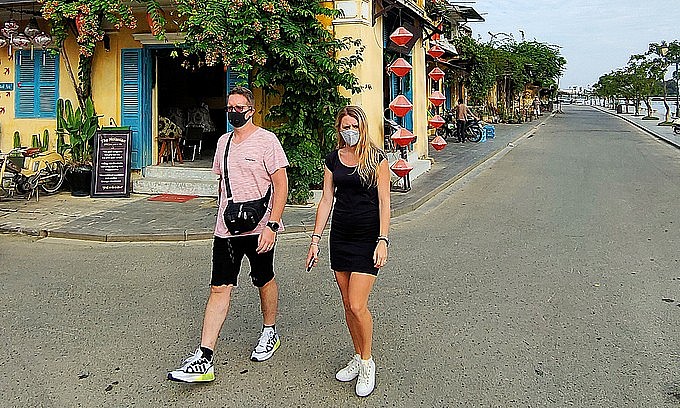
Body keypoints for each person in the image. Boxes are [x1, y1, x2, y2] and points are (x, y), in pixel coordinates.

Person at [168, 86, 289, 383]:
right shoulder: (223, 143)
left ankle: (269, 330)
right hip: (226, 228)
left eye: (239, 107)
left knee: (263, 278)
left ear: (251, 110)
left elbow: (281, 184)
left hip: (260, 226)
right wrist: (220, 217)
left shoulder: (267, 141)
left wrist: (273, 225)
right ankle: (204, 356)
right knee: (219, 287)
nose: (233, 112)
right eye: (229, 107)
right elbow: (223, 186)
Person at [305, 105, 390, 397]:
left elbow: (384, 202)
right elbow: (327, 199)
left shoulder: (377, 159)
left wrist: (383, 239)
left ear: (362, 127)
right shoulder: (333, 159)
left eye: (353, 125)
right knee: (346, 303)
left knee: (357, 304)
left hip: (367, 238)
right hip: (340, 236)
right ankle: (357, 355)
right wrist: (315, 239)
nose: (349, 131)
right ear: (339, 128)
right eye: (344, 126)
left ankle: (368, 362)